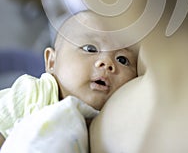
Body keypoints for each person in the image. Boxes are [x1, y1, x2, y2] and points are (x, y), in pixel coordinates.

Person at [0, 10, 138, 152]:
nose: (107, 63)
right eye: (90, 49)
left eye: (122, 60)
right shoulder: (33, 92)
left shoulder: (115, 123)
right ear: (52, 61)